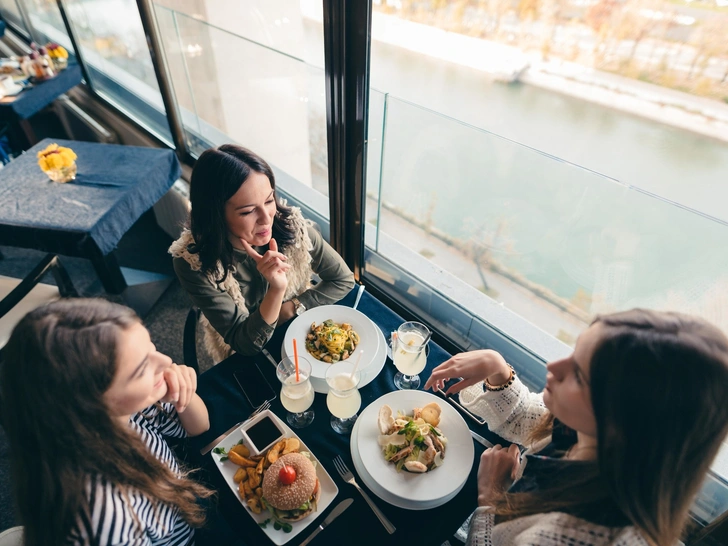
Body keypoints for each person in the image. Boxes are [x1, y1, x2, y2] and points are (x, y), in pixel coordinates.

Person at [425, 309, 728, 546]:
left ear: (623, 422)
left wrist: (490, 499)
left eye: (580, 376)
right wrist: (498, 369)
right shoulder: (589, 435)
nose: (553, 367)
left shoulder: (571, 535)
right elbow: (531, 420)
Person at [0, 299, 213, 546]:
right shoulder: (102, 518)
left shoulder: (132, 407)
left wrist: (183, 397)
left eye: (150, 345)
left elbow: (200, 426)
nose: (166, 361)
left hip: (183, 513)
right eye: (141, 367)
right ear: (94, 403)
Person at [170, 144, 355, 363]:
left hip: (300, 327)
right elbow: (244, 343)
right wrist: (276, 291)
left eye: (268, 200)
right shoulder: (194, 264)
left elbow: (344, 279)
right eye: (248, 211)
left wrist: (290, 308)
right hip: (245, 352)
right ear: (216, 214)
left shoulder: (293, 228)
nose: (267, 218)